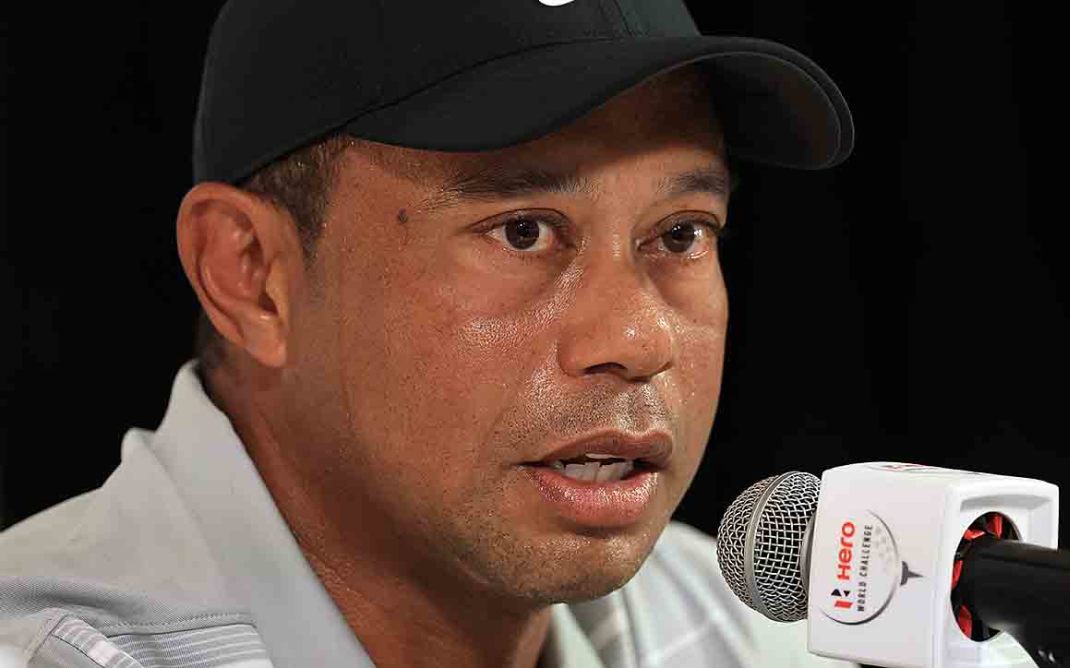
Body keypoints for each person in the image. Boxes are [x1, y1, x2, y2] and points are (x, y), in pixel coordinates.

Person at [0, 0, 857, 666]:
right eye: (523, 230)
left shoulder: (741, 627)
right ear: (253, 274)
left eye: (680, 234)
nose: (638, 339)